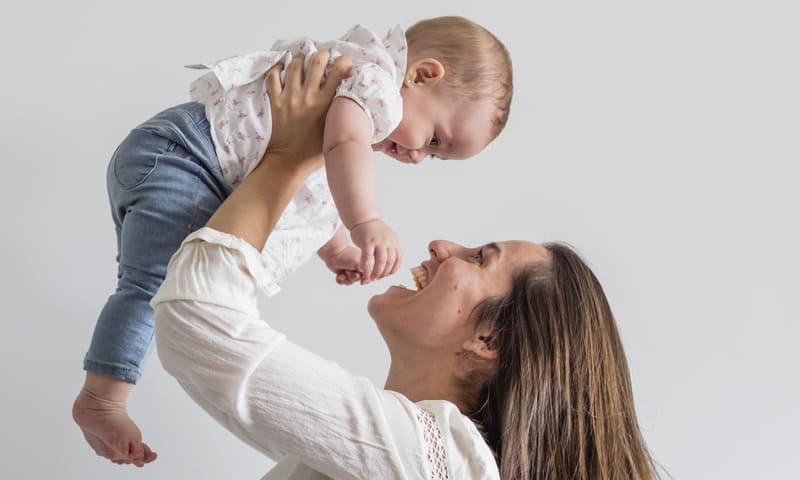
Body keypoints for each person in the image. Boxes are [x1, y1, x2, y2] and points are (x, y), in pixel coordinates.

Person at [152, 52, 661, 478]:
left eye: (480, 258)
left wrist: (290, 155)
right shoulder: (400, 459)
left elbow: (199, 323)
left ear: (488, 341)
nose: (442, 245)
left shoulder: (433, 461)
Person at [72, 15, 513, 466]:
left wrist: (338, 248)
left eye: (435, 156)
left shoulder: (359, 92)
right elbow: (341, 149)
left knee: (154, 282)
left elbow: (310, 187)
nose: (419, 157)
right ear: (422, 74)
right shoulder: (375, 86)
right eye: (435, 139)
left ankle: (105, 390)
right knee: (150, 288)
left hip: (175, 157)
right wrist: (367, 223)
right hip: (187, 159)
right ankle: (102, 397)